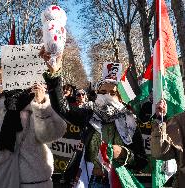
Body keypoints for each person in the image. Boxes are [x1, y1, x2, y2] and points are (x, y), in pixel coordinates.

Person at [40, 47, 148, 187]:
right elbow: (62, 108)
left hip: (119, 182)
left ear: (120, 97)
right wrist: (54, 74)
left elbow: (142, 161)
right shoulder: (89, 114)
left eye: (112, 93)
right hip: (89, 181)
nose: (107, 96)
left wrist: (123, 154)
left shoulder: (129, 123)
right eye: (103, 91)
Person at [0, 84, 67, 188]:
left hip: (35, 183)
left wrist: (41, 106)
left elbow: (51, 135)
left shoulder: (38, 106)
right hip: (2, 180)